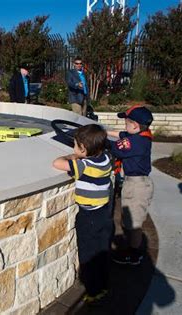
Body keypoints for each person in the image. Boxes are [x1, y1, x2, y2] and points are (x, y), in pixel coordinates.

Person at [53, 124, 113, 304]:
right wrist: (78, 156)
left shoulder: (84, 166)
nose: (73, 148)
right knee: (102, 249)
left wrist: (71, 157)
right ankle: (103, 283)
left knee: (88, 253)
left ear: (83, 149)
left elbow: (57, 163)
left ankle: (94, 290)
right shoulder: (105, 159)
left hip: (89, 217)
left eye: (75, 145)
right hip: (104, 212)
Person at [107, 105, 154, 265]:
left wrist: (96, 138)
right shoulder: (142, 135)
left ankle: (133, 255)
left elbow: (114, 148)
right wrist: (103, 131)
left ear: (135, 125)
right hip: (136, 183)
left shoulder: (136, 142)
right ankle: (132, 248)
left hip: (137, 186)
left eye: (126, 123)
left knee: (133, 223)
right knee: (128, 219)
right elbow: (121, 134)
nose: (124, 127)